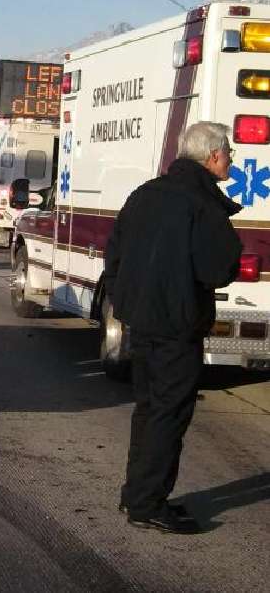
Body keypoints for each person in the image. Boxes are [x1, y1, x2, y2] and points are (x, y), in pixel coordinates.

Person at [106, 121, 242, 534]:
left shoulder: (145, 194)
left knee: (149, 409)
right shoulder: (202, 205)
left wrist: (128, 301)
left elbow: (114, 256)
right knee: (169, 414)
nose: (231, 160)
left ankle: (137, 495)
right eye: (229, 153)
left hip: (140, 321)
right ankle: (147, 504)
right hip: (177, 326)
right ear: (213, 156)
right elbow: (219, 268)